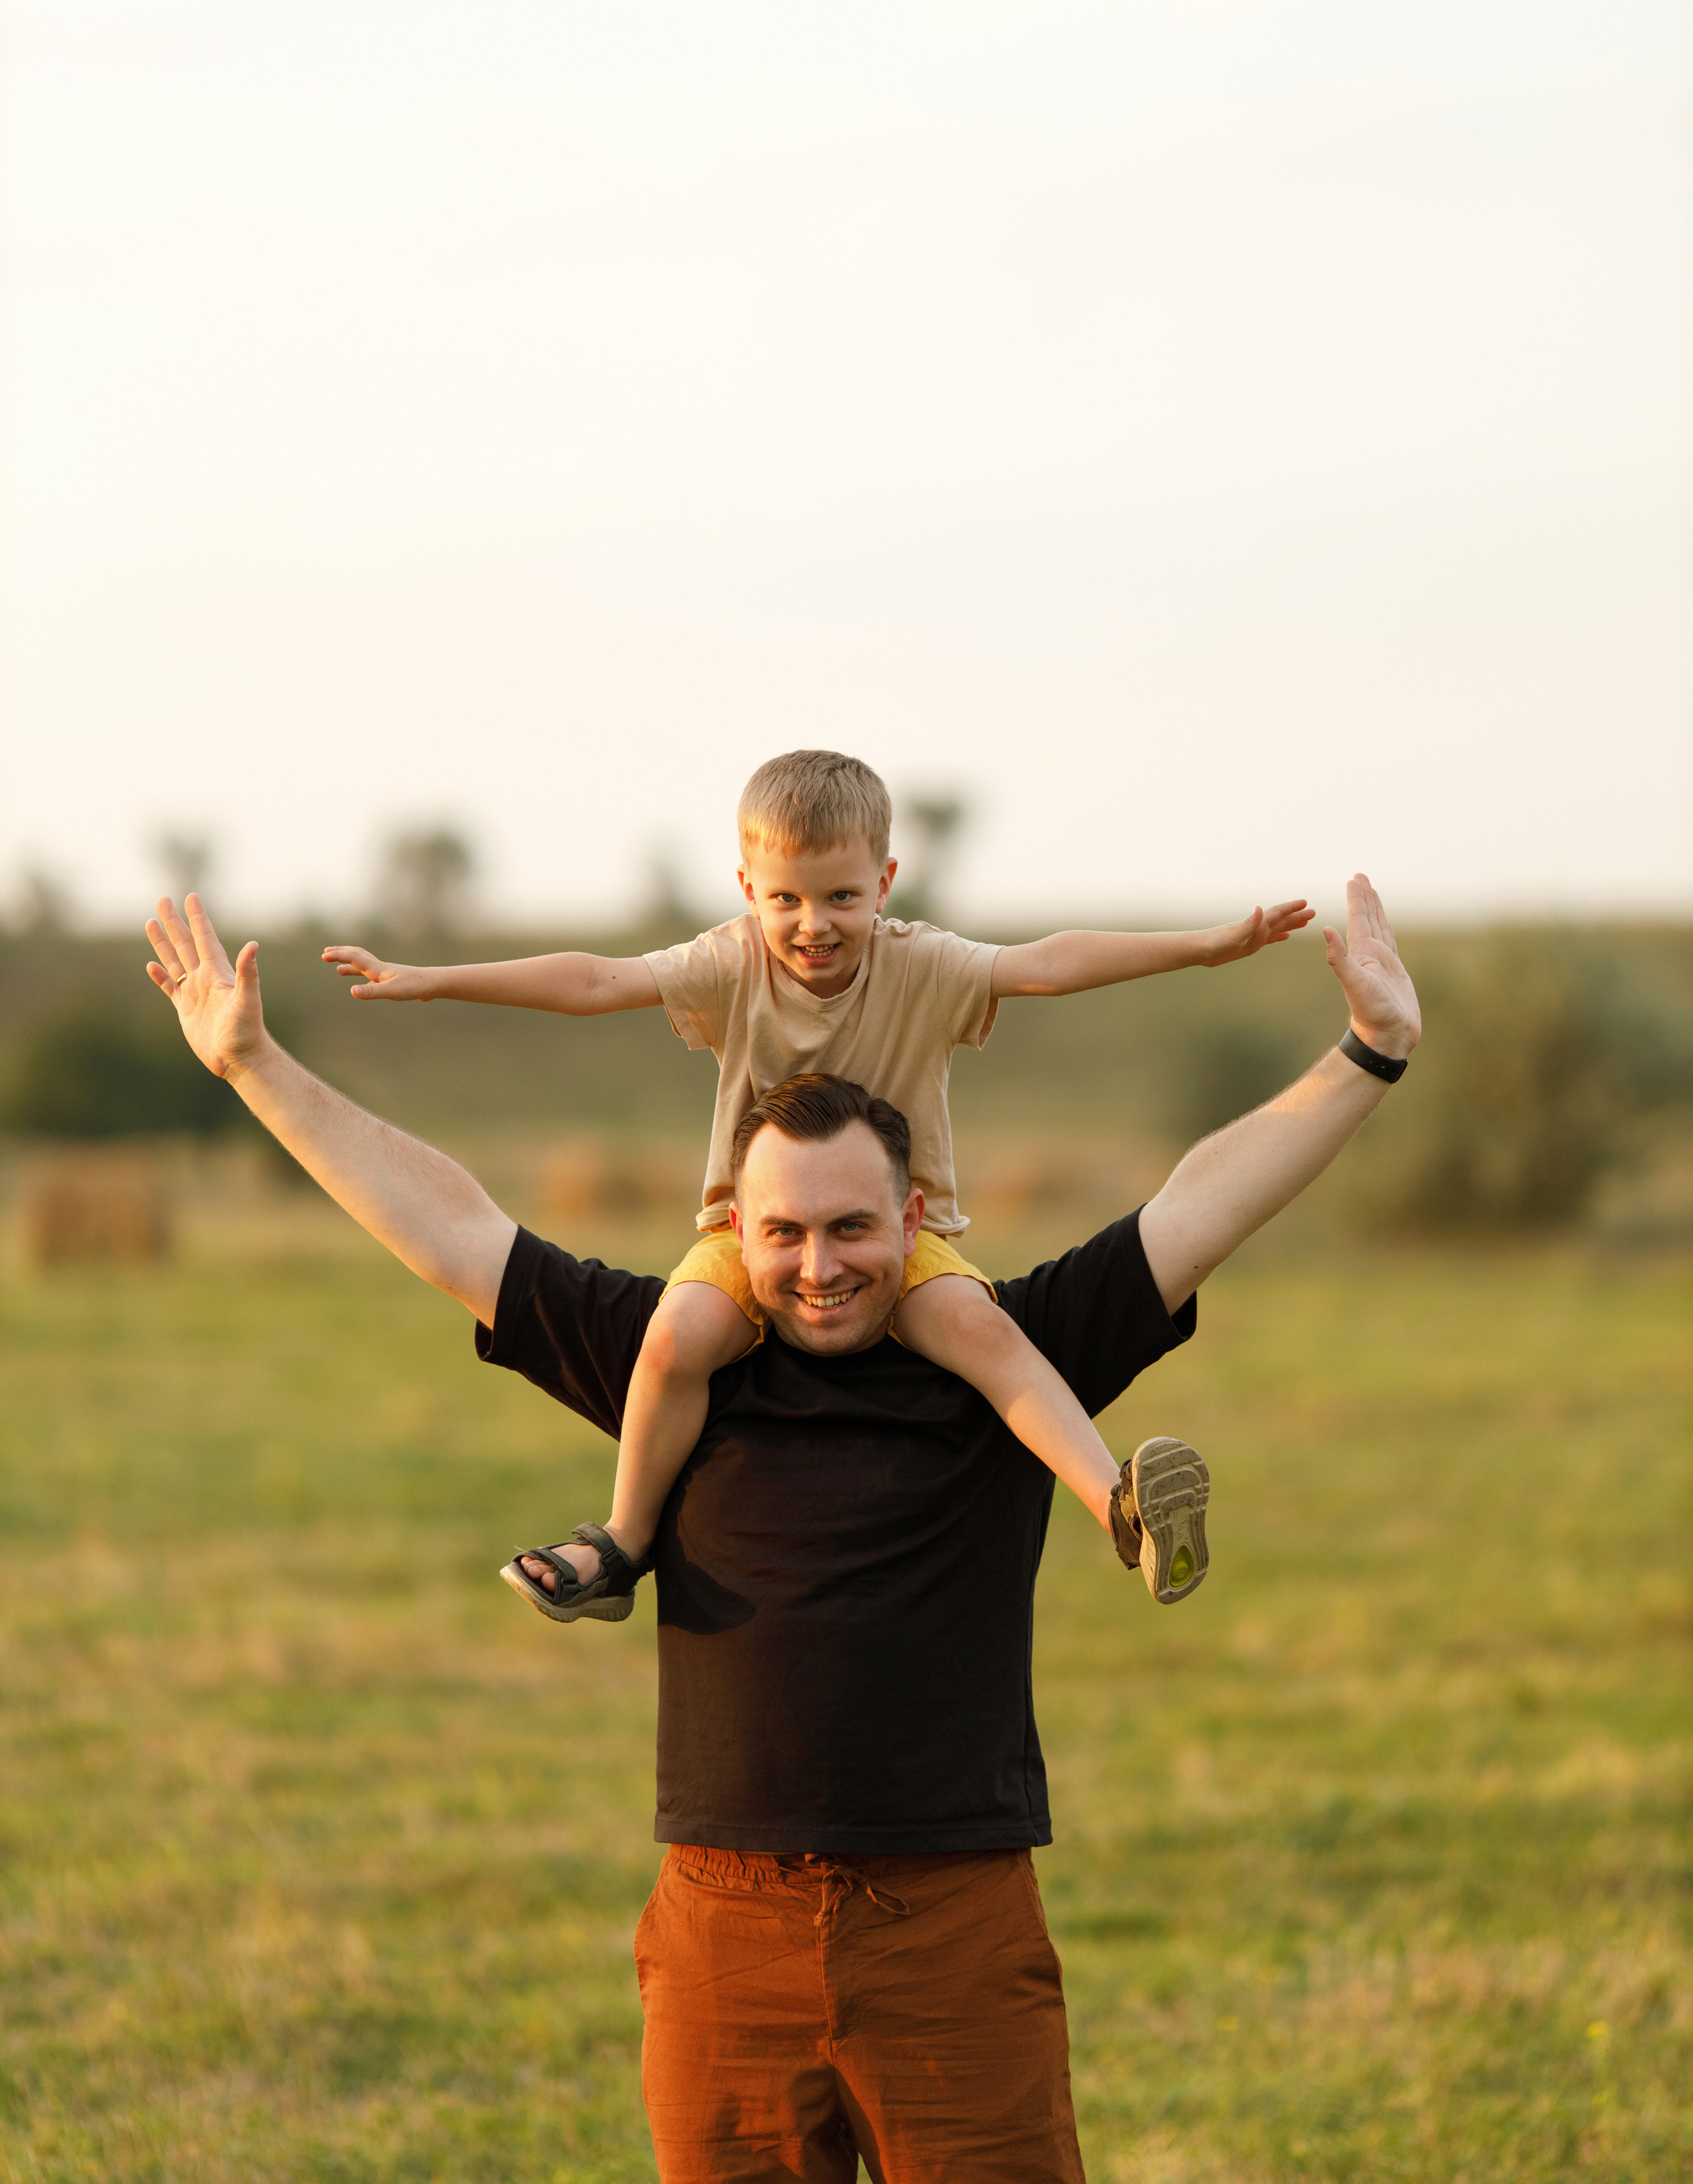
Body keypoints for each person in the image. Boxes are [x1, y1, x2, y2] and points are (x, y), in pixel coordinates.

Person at [144, 874, 1420, 2184]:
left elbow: (1201, 1202)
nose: (820, 1266)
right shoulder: (675, 1357)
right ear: (734, 1231)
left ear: (913, 1218)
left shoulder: (997, 1354)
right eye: (785, 1234)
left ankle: (1124, 1521)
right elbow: (452, 1227)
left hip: (950, 1928)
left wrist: (1366, 1052)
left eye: (853, 1228)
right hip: (721, 1931)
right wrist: (254, 1067)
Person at [315, 748, 1314, 1617]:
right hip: (755, 1237)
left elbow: (1047, 963)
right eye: (786, 898)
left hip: (900, 1239)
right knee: (669, 1342)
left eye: (840, 897)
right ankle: (623, 1542)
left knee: (990, 1340)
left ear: (884, 882)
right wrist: (431, 978)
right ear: (747, 888)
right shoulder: (729, 962)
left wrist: (1208, 947)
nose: (813, 924)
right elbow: (595, 982)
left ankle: (1122, 1511)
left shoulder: (924, 965)